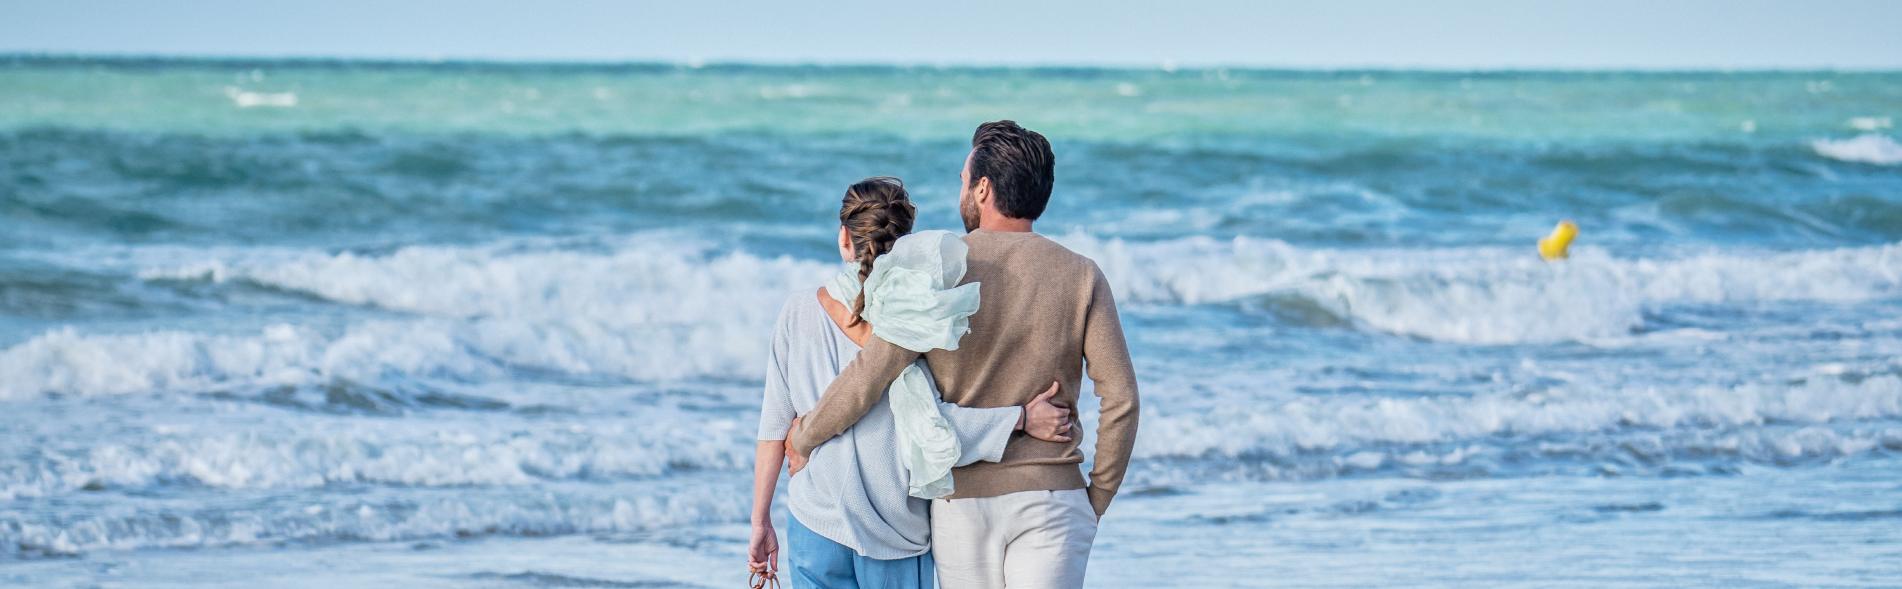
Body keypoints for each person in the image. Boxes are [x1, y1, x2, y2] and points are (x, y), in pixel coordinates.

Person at [788, 122, 1140, 588]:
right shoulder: (1082, 274)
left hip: (961, 503)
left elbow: (871, 373)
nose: (961, 192)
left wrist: (805, 436)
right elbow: (1121, 399)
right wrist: (1097, 497)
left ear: (983, 189)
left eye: (963, 181)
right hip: (1053, 496)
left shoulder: (935, 271)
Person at [750, 177, 1075, 588]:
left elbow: (773, 426)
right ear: (905, 244)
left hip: (816, 523)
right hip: (897, 534)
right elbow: (936, 429)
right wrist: (1021, 418)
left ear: (844, 239)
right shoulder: (926, 322)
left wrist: (760, 521)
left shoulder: (797, 312)